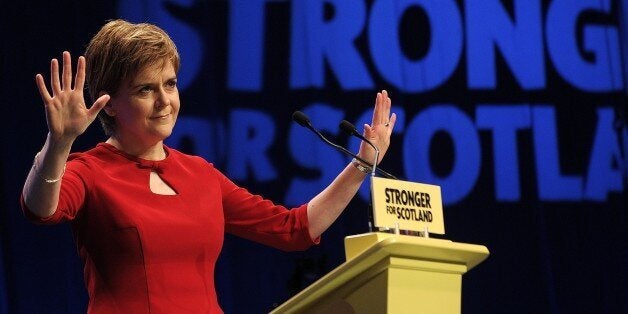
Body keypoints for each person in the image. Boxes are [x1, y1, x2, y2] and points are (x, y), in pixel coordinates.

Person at [21, 19, 396, 313]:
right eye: (144, 89)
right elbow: (41, 208)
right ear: (109, 103)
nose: (164, 102)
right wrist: (60, 142)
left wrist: (363, 164)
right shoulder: (90, 170)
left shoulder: (200, 174)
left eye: (170, 84)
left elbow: (293, 229)